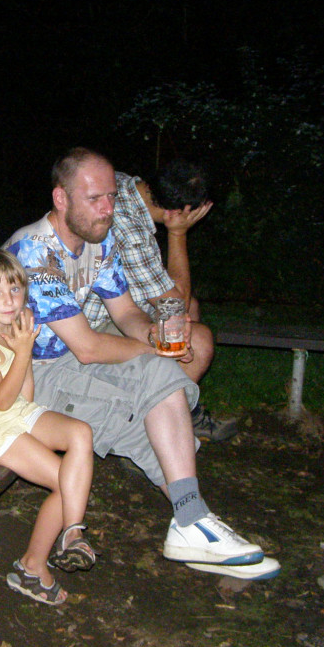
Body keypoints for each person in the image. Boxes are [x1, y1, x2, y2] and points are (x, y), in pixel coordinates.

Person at [4, 147, 279, 580]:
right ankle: (194, 523)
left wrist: (157, 337)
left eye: (112, 197)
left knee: (160, 375)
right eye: (95, 199)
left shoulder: (99, 241)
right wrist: (153, 350)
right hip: (25, 377)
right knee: (138, 406)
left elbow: (126, 313)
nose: (108, 209)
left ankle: (194, 524)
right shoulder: (35, 253)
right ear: (61, 198)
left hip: (68, 361)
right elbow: (88, 348)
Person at [0, 248, 96, 605]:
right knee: (66, 481)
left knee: (81, 433)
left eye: (15, 289)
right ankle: (32, 567)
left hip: (15, 413)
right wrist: (23, 351)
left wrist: (22, 347)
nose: (9, 300)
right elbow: (1, 400)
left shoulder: (11, 329)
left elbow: (24, 397)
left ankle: (72, 532)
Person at [80, 160, 238, 442]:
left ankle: (177, 407)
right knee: (199, 340)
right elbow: (174, 306)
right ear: (177, 212)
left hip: (112, 305)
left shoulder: (120, 184)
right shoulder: (130, 231)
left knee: (192, 309)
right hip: (87, 327)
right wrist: (178, 233)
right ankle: (147, 431)